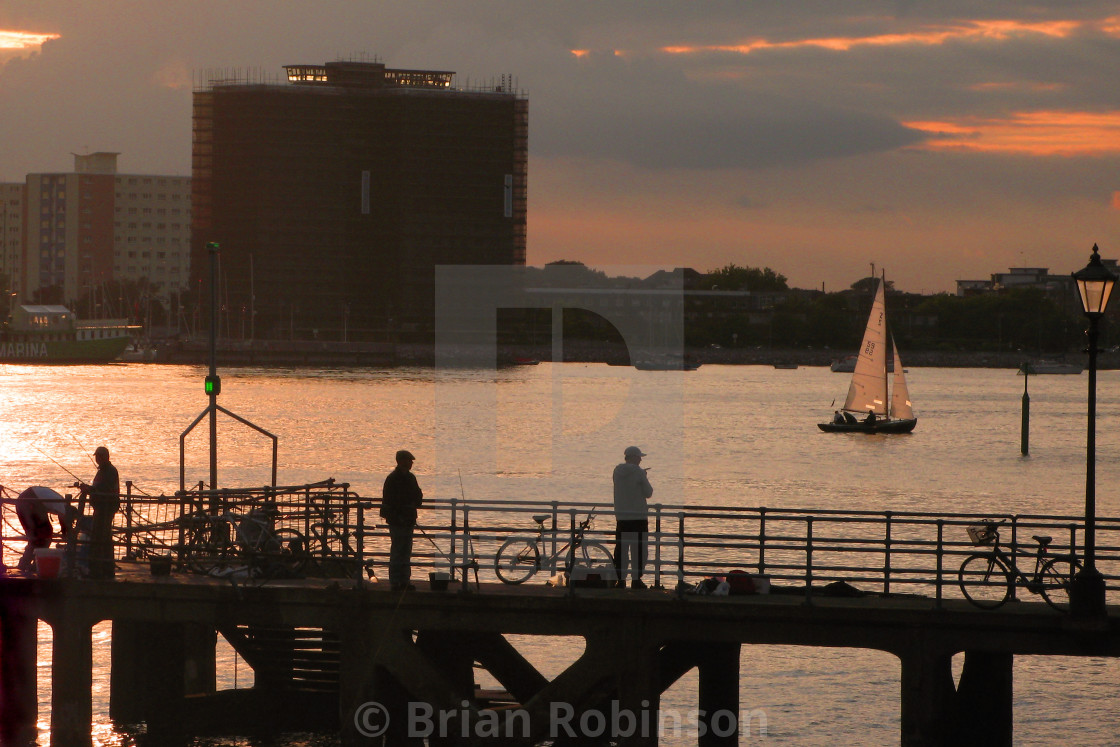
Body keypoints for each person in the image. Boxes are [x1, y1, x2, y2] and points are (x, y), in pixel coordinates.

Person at [381, 449, 423, 591]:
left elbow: (418, 497)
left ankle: (404, 581)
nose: (411, 463)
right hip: (398, 521)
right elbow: (389, 500)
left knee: (406, 551)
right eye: (409, 460)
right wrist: (400, 513)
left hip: (408, 519)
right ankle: (395, 581)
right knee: (398, 550)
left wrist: (412, 504)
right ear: (401, 461)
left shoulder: (411, 478)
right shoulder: (392, 479)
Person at [76, 446, 120, 579]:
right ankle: (103, 568)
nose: (97, 458)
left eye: (100, 456)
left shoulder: (110, 471)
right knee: (102, 537)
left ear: (106, 457)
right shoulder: (102, 471)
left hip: (105, 508)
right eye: (96, 456)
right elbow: (97, 487)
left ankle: (100, 569)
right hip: (100, 508)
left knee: (100, 538)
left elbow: (102, 488)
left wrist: (89, 490)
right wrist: (88, 488)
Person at [612, 445, 654, 590]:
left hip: (622, 517)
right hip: (638, 517)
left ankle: (621, 580)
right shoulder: (639, 472)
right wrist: (644, 476)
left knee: (621, 549)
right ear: (634, 458)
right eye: (639, 457)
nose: (641, 460)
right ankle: (636, 580)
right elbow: (648, 492)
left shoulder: (616, 471)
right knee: (639, 549)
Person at [15, 487, 77, 572]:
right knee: (45, 533)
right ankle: (34, 565)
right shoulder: (62, 506)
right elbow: (63, 520)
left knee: (35, 535)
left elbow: (61, 518)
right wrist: (66, 532)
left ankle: (25, 564)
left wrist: (65, 530)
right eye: (72, 519)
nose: (72, 521)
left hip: (26, 500)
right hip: (31, 500)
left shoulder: (60, 503)